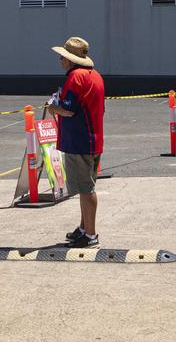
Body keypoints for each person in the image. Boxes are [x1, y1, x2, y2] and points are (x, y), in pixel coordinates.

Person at [45, 36, 105, 249]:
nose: (60, 60)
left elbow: (68, 110)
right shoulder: (95, 75)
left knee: (86, 188)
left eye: (62, 57)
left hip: (79, 140)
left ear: (70, 60)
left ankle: (90, 234)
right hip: (93, 139)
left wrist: (52, 108)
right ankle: (83, 228)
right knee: (85, 186)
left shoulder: (75, 78)